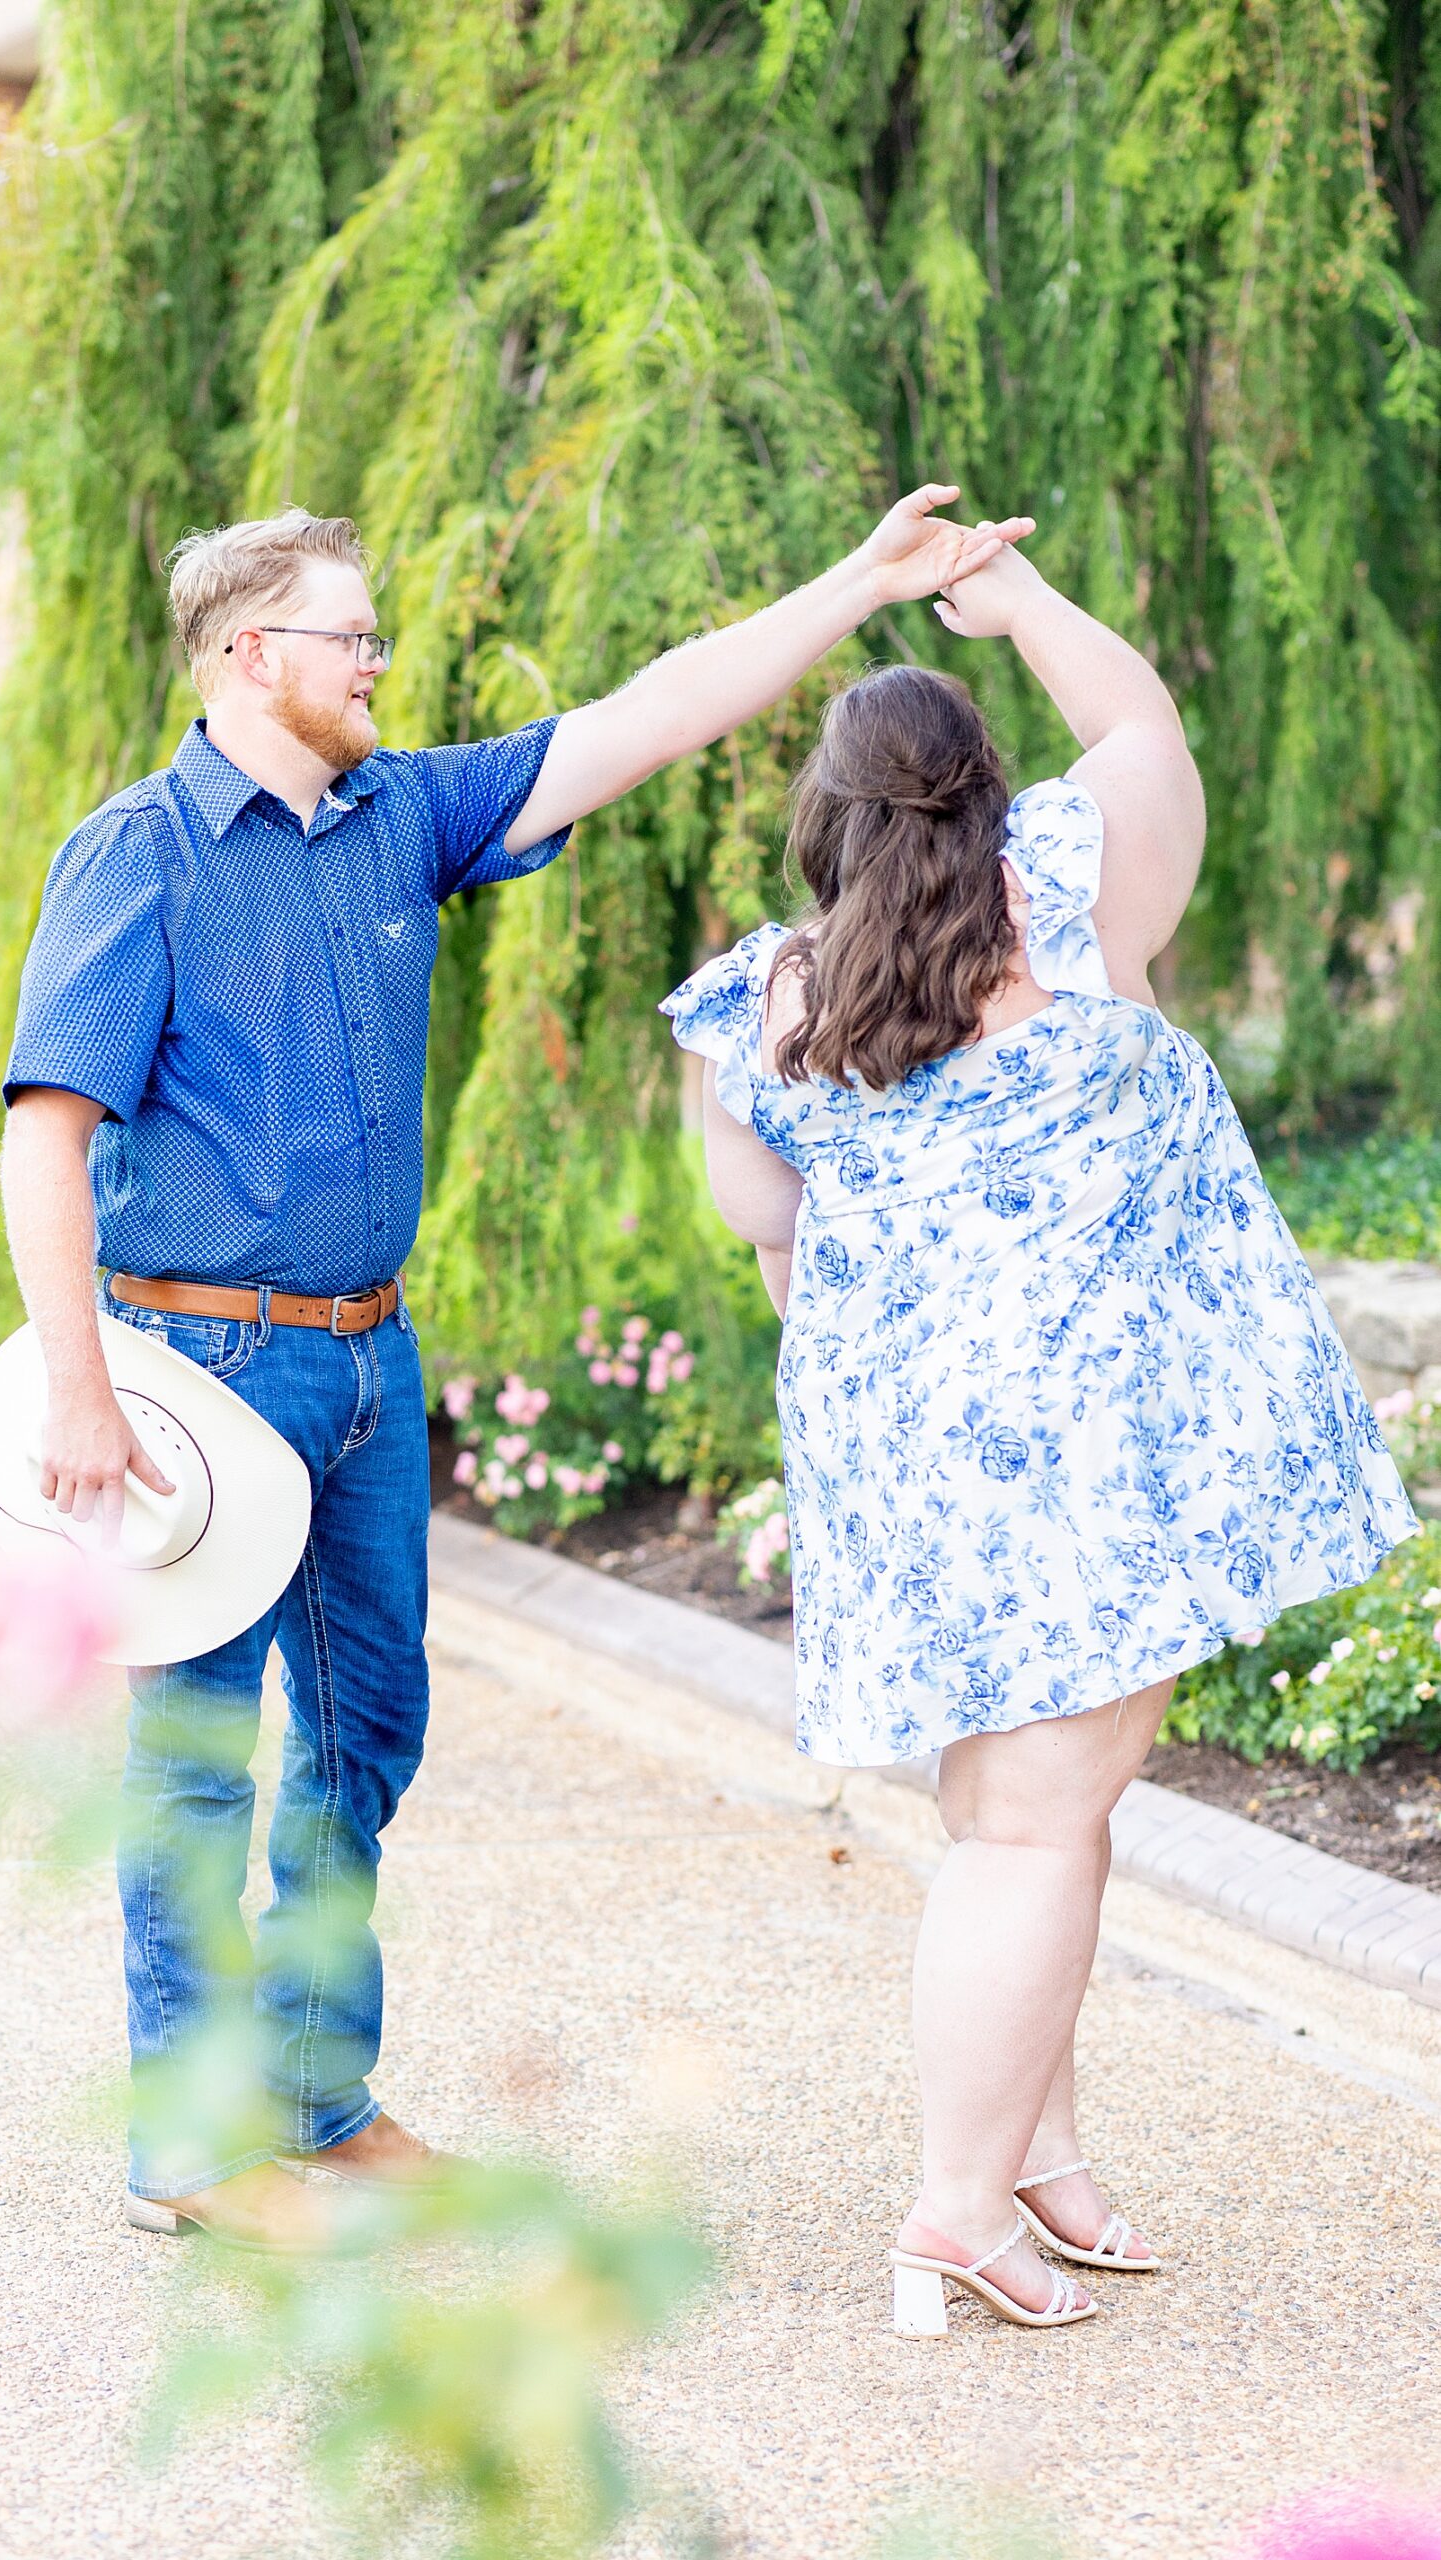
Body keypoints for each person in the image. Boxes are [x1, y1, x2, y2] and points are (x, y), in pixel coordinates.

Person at [0, 486, 1034, 2253]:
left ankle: (319, 2107)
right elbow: (45, 1130)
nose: (381, 660)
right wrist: (82, 1387)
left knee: (365, 1739)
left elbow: (655, 711)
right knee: (188, 1762)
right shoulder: (139, 853)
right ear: (256, 654)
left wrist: (857, 584)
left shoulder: (406, 815)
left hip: (369, 1370)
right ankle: (186, 2147)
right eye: (354, 633)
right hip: (193, 1371)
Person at [663, 535, 1417, 2332]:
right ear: (989, 794)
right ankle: (950, 2210)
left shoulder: (762, 1002)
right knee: (1033, 1823)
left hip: (914, 1461)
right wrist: (1007, 596)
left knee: (1019, 1814)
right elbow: (1141, 718)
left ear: (822, 827)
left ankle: (1033, 2159)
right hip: (1094, 1448)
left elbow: (764, 1228)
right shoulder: (1077, 895)